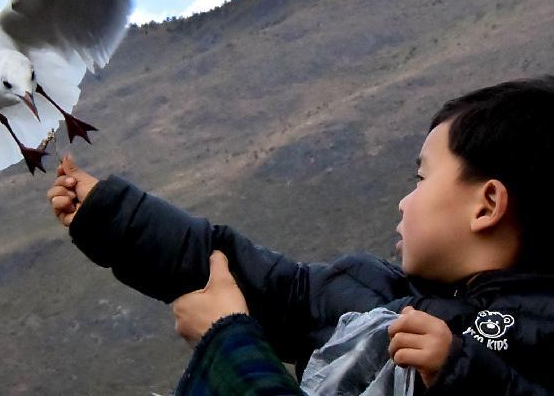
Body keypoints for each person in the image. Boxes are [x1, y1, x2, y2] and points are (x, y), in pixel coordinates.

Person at [47, 76, 554, 394]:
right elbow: (255, 275)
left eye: (421, 179)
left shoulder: (537, 336)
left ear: (486, 205)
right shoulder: (377, 298)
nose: (405, 199)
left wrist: (227, 341)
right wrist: (112, 216)